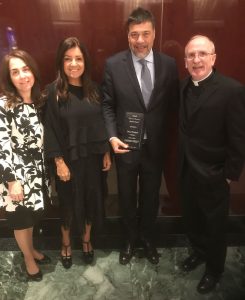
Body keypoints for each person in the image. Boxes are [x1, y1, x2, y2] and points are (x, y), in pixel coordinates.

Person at [102, 7, 179, 265]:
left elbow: (173, 107)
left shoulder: (169, 65)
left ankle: (148, 239)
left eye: (145, 33)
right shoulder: (114, 65)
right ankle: (129, 240)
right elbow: (107, 105)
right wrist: (112, 137)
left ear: (154, 34)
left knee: (150, 196)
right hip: (125, 146)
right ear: (128, 36)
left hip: (156, 148)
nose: (140, 40)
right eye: (135, 34)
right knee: (125, 196)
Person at [179, 35, 245, 294]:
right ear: (185, 62)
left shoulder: (232, 90)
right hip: (187, 170)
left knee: (215, 226)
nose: (197, 60)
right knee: (192, 219)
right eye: (191, 55)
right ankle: (199, 252)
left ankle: (215, 269)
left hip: (214, 173)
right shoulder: (182, 86)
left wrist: (229, 175)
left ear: (213, 58)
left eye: (202, 54)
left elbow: (239, 137)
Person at [44, 37, 111, 269]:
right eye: (68, 59)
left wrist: (105, 152)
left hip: (92, 158)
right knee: (68, 205)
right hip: (67, 162)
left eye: (79, 58)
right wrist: (59, 162)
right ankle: (65, 244)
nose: (74, 64)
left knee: (92, 200)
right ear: (61, 62)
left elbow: (101, 123)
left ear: (86, 62)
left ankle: (86, 240)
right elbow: (49, 129)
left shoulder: (94, 90)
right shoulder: (53, 92)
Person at [0, 49, 51, 281]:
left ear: (33, 71)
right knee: (20, 220)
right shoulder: (3, 105)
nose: (22, 76)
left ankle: (31, 249)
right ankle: (27, 258)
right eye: (15, 72)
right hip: (15, 175)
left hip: (37, 173)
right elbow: (1, 145)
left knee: (31, 218)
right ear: (9, 78)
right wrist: (12, 182)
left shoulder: (39, 101)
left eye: (25, 69)